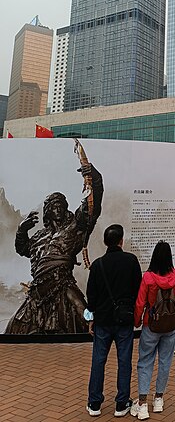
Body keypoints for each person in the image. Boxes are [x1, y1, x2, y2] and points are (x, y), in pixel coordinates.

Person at [5, 162, 103, 334]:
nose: (57, 208)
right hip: (37, 291)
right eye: (53, 206)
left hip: (63, 284)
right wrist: (22, 230)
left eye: (60, 205)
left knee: (86, 314)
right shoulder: (39, 236)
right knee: (14, 328)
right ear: (47, 211)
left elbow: (92, 207)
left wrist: (95, 178)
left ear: (65, 208)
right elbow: (23, 249)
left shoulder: (75, 228)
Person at [131, 241, 175, 420]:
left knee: (145, 361)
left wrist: (137, 321)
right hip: (170, 325)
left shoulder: (148, 278)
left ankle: (143, 404)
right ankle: (159, 399)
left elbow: (139, 303)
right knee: (165, 361)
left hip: (151, 325)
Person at [86, 224, 142, 417]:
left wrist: (90, 318)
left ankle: (94, 404)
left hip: (102, 320)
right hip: (124, 320)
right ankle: (121, 404)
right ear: (121, 240)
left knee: (98, 361)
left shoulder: (97, 264)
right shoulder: (131, 261)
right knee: (124, 361)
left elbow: (91, 296)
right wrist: (136, 314)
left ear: (104, 242)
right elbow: (138, 290)